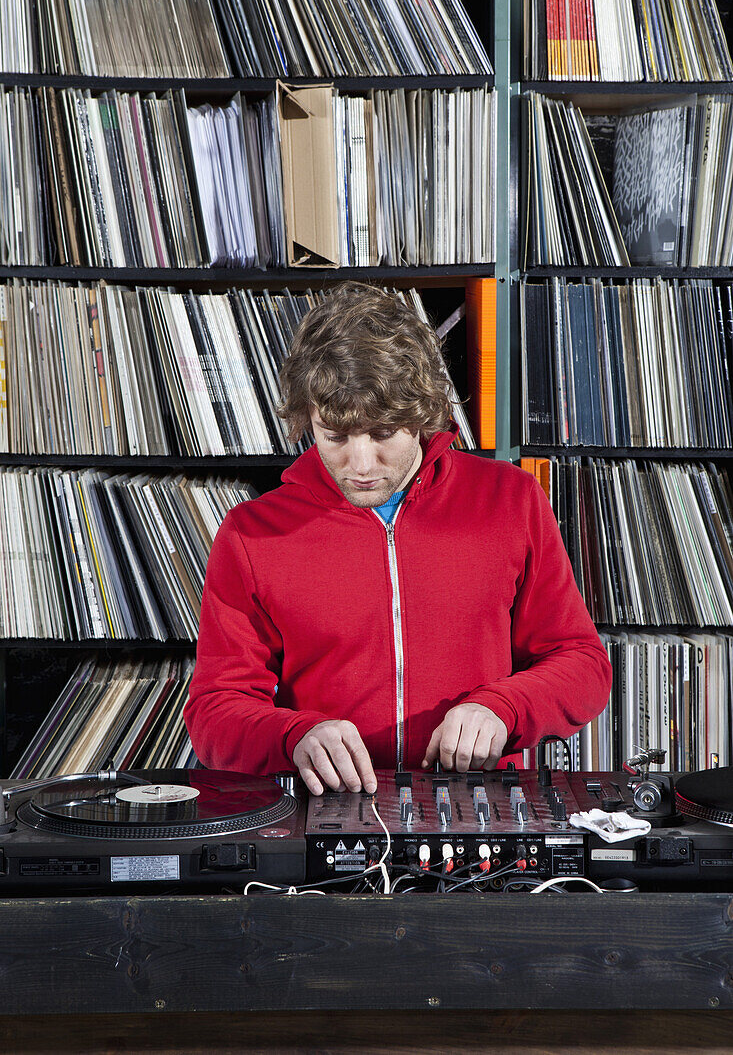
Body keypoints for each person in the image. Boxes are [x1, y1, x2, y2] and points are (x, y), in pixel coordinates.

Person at [184, 282, 612, 795]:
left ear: (423, 416)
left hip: (478, 805)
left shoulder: (510, 501)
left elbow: (582, 664)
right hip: (324, 811)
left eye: (383, 432)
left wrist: (503, 708)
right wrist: (293, 735)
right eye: (335, 437)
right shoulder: (252, 534)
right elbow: (214, 711)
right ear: (308, 422)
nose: (360, 465)